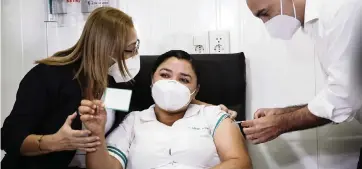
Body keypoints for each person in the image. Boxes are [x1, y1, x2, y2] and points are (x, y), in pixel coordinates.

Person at [78, 50, 252, 169]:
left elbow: (240, 162)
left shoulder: (214, 116)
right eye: (165, 75)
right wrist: (96, 133)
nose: (172, 84)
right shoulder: (133, 120)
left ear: (195, 90)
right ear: (151, 80)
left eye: (184, 79)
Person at [242, 0, 362, 168]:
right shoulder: (317, 23)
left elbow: (344, 100)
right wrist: (283, 114)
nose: (266, 23)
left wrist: (281, 123)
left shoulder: (339, 9)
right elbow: (338, 95)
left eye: (264, 13)